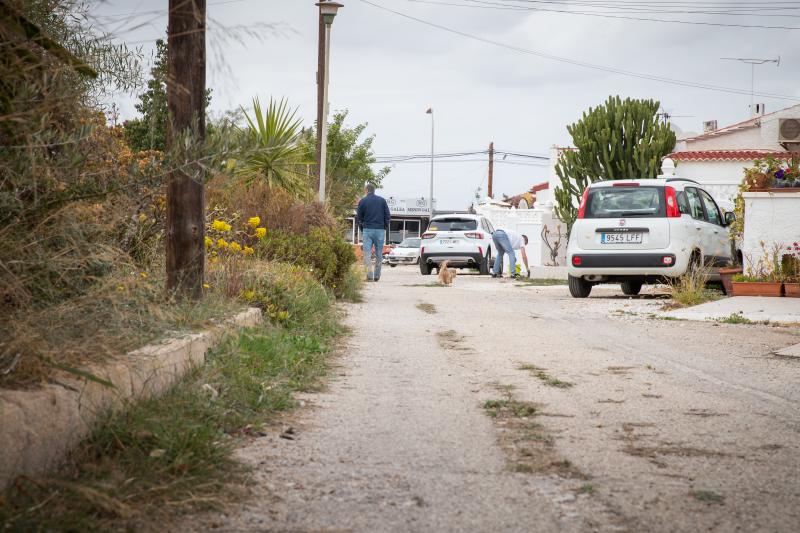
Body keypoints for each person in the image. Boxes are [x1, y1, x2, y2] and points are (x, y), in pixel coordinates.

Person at [356, 183, 390, 282]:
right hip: (380, 230)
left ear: (366, 190)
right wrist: (384, 227)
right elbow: (387, 216)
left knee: (367, 254)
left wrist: (363, 228)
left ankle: (369, 276)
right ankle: (377, 276)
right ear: (374, 190)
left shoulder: (363, 201)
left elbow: (359, 217)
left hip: (367, 230)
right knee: (379, 254)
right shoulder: (382, 200)